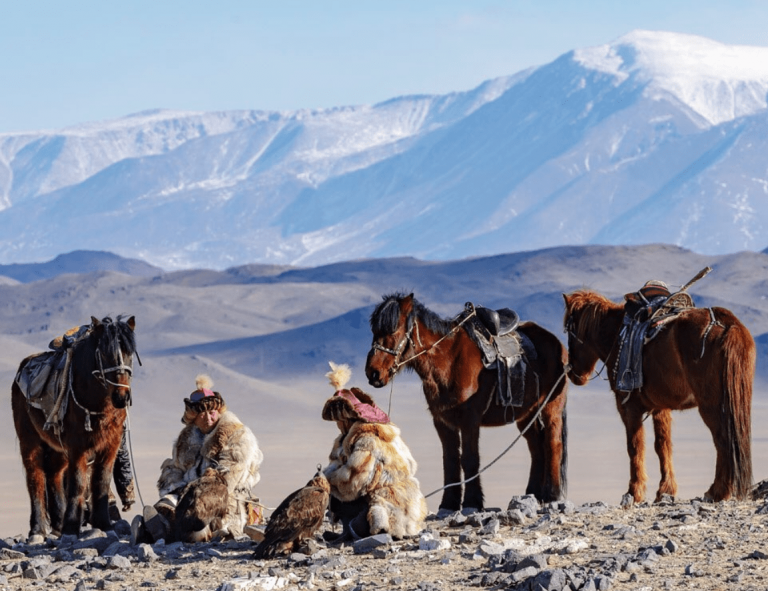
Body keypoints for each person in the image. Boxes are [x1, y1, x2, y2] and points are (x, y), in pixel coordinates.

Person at [134, 374, 263, 543]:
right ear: (193, 417)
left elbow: (229, 475)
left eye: (212, 412)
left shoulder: (238, 434)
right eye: (202, 414)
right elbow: (175, 468)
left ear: (219, 411)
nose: (208, 418)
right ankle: (155, 528)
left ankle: (169, 533)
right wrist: (179, 489)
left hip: (224, 496)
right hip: (187, 491)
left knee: (199, 514)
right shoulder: (186, 438)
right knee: (166, 506)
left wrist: (197, 491)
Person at [321, 362, 427, 541]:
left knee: (337, 500)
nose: (338, 426)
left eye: (339, 421)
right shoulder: (377, 433)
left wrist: (325, 484)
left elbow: (353, 482)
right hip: (409, 503)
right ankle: (353, 531)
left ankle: (358, 530)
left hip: (391, 505)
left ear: (347, 420)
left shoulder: (367, 439)